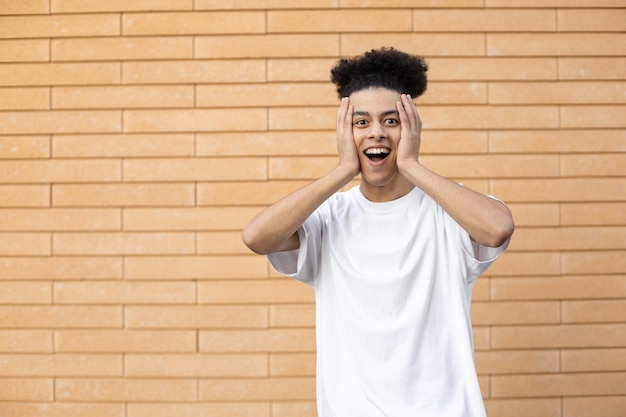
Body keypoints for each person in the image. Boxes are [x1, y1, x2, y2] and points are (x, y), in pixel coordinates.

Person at [242, 47, 514, 417]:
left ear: (412, 127)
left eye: (391, 121)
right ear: (344, 131)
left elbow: (498, 228)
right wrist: (341, 170)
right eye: (361, 122)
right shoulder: (329, 218)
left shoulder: (448, 213)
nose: (377, 133)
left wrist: (412, 165)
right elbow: (257, 237)